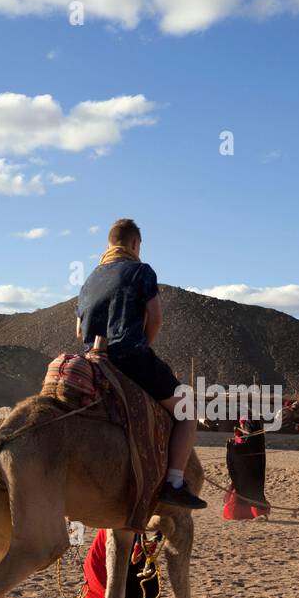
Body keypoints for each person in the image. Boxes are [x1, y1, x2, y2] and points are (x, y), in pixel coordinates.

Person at [75, 218, 206, 509]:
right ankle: (173, 482)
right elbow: (156, 318)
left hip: (93, 362)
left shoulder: (89, 280)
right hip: (130, 359)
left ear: (109, 243)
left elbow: (77, 330)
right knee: (187, 411)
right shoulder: (140, 271)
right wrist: (141, 346)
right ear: (135, 244)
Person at [223, 417, 270, 519]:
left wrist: (231, 446)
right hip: (253, 470)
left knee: (248, 491)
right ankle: (258, 512)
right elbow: (247, 445)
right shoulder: (254, 436)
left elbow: (246, 448)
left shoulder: (253, 437)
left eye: (241, 425)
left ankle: (254, 513)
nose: (241, 427)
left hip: (249, 471)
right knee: (255, 492)